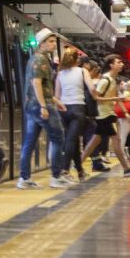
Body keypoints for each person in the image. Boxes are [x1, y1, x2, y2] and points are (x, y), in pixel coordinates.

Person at [18, 28, 69, 189]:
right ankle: (56, 176)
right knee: (58, 137)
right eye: (51, 42)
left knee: (30, 142)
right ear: (42, 44)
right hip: (41, 106)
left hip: (33, 106)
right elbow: (36, 83)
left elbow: (42, 86)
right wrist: (44, 105)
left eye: (54, 41)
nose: (54, 44)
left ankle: (24, 179)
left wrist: (56, 100)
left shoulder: (35, 59)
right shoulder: (41, 60)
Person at [80, 55, 130, 178]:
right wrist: (114, 99)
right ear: (111, 65)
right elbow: (96, 97)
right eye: (118, 62)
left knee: (94, 142)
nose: (121, 64)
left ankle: (78, 164)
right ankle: (126, 169)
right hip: (104, 115)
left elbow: (117, 98)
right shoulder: (105, 80)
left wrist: (125, 112)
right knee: (116, 142)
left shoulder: (113, 79)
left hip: (108, 115)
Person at [55, 49, 90, 183]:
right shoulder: (82, 71)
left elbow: (57, 95)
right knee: (71, 140)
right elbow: (92, 88)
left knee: (73, 140)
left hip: (63, 108)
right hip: (78, 108)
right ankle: (65, 170)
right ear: (78, 60)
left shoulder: (60, 74)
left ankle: (80, 171)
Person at [82, 58, 110, 172]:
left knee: (91, 139)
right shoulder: (88, 82)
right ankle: (86, 163)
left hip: (84, 114)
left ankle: (95, 163)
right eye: (95, 71)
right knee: (93, 138)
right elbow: (92, 96)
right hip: (87, 114)